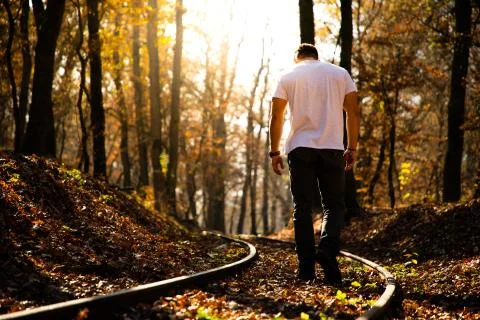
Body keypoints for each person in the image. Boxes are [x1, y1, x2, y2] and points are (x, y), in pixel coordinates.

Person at [269, 43, 360, 284]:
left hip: (300, 148)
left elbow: (276, 116)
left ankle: (306, 270)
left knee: (303, 208)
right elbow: (353, 111)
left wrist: (274, 152)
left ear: (297, 58)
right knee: (333, 205)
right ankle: (328, 251)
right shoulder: (340, 74)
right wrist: (351, 147)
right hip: (332, 147)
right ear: (316, 57)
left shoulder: (288, 75)